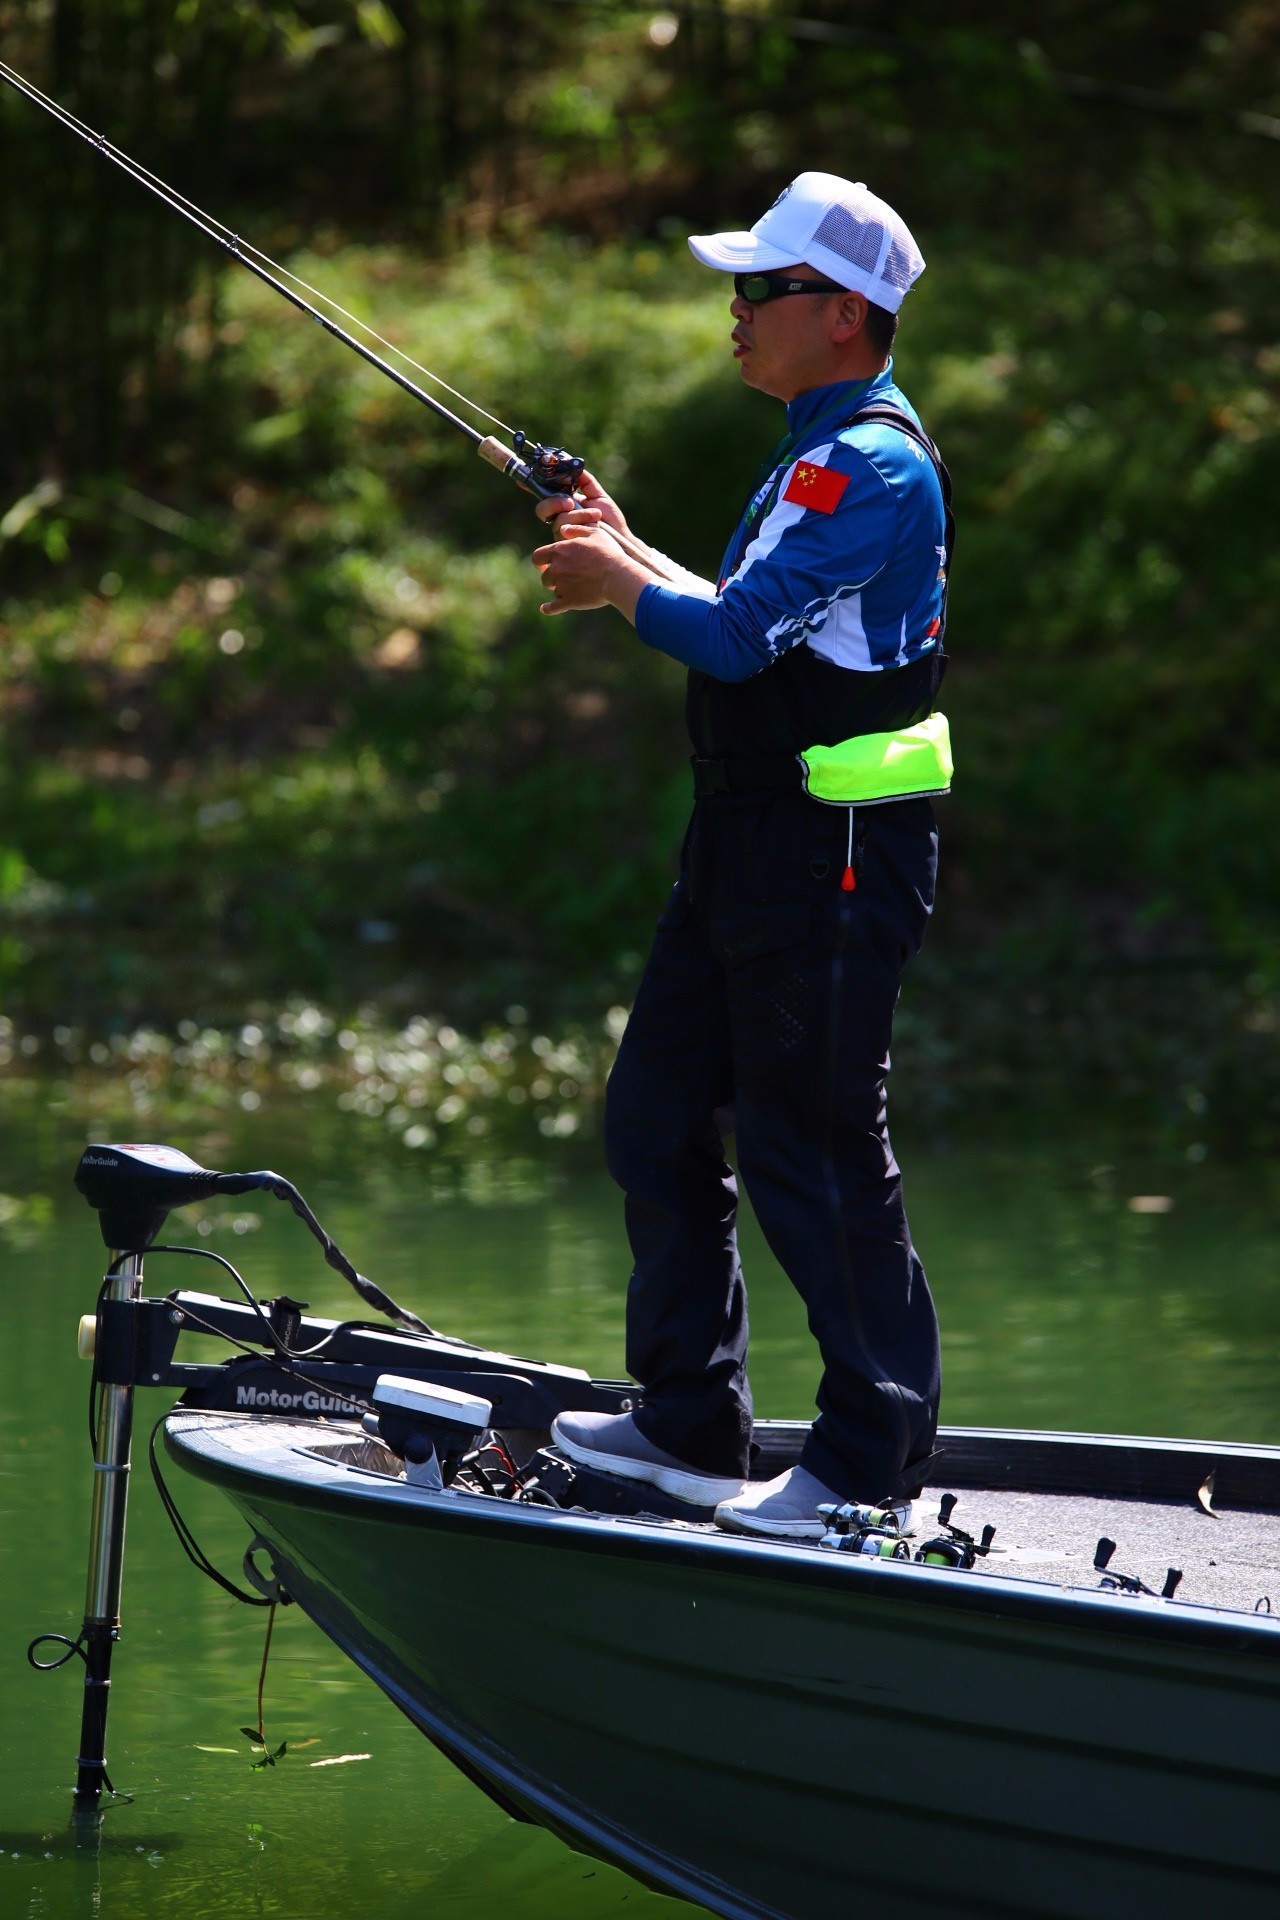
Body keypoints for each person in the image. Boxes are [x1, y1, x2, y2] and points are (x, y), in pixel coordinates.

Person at [531, 172, 952, 1539]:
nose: (737, 308)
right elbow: (750, 611)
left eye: (760, 289)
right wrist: (626, 540)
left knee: (813, 1150)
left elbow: (729, 640)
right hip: (746, 845)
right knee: (655, 1116)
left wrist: (620, 584)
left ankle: (867, 1459)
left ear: (840, 315)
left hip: (829, 856)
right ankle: (688, 1416)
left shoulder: (874, 466)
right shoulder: (812, 450)